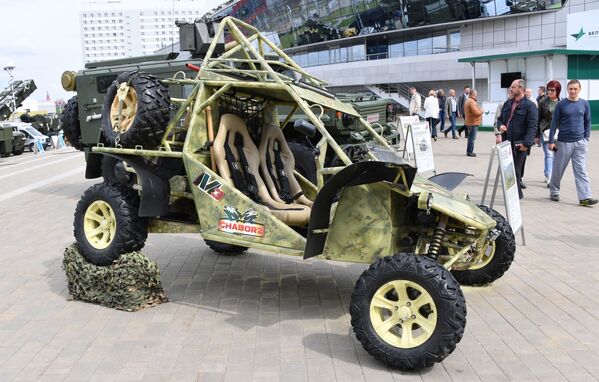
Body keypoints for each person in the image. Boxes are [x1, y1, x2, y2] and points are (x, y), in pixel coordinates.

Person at [548, 80, 597, 206]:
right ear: (567, 89)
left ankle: (585, 197)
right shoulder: (561, 105)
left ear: (579, 89)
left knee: (581, 170)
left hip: (580, 143)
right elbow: (554, 123)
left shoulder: (584, 104)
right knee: (558, 169)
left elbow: (587, 122)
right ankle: (554, 191)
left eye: (575, 89)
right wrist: (551, 141)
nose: (573, 91)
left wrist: (586, 138)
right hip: (563, 142)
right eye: (570, 89)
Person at [496, 79, 538, 199]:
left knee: (516, 171)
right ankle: (514, 195)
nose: (510, 89)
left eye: (513, 87)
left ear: (520, 89)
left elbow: (532, 126)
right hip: (506, 141)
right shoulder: (507, 103)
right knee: (508, 170)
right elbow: (500, 119)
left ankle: (516, 195)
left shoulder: (530, 106)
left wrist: (527, 144)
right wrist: (501, 126)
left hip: (520, 144)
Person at [536, 80, 561, 187]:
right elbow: (538, 118)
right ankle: (549, 176)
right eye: (548, 90)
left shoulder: (562, 102)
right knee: (549, 154)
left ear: (558, 91)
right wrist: (536, 135)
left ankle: (553, 174)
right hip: (545, 131)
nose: (550, 92)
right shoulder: (542, 102)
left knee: (557, 155)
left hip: (559, 133)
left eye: (552, 90)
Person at [464, 89, 484, 157]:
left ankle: (469, 151)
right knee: (472, 138)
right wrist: (482, 111)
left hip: (470, 122)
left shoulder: (468, 100)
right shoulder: (471, 101)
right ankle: (470, 152)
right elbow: (476, 112)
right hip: (473, 122)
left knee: (470, 138)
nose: (477, 96)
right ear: (474, 94)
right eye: (476, 94)